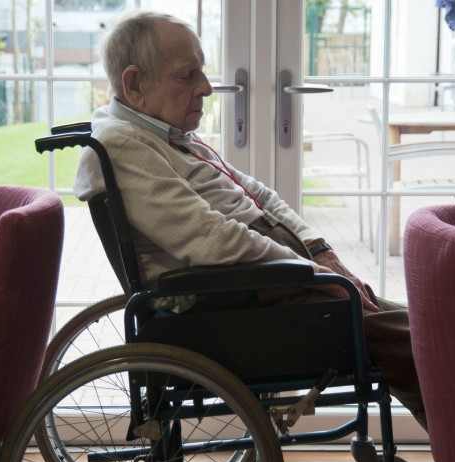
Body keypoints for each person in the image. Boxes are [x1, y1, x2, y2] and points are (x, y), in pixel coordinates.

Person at [74, 10, 426, 431]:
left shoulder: (162, 132)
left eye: (202, 71)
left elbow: (258, 193)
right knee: (422, 346)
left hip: (274, 274)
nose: (205, 87)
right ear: (135, 85)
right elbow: (210, 242)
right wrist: (310, 272)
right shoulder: (124, 146)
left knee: (423, 326)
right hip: (242, 291)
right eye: (188, 75)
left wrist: (318, 248)